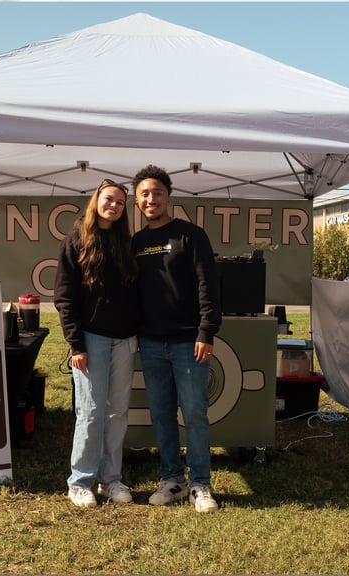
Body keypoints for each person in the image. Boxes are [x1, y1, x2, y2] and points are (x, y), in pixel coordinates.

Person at [131, 164, 222, 513]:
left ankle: (200, 484)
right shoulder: (136, 243)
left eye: (157, 193)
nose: (150, 199)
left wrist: (206, 331)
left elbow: (207, 285)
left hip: (189, 343)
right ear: (137, 201)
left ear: (168, 197)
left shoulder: (190, 235)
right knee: (161, 414)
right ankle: (172, 479)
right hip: (151, 343)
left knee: (195, 414)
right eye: (144, 194)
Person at [54, 178, 139, 508]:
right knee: (90, 411)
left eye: (119, 202)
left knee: (117, 412)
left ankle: (110, 479)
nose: (113, 206)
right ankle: (80, 481)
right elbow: (65, 297)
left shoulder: (125, 242)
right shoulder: (77, 238)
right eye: (109, 199)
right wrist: (76, 345)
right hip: (91, 339)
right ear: (96, 200)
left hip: (125, 340)